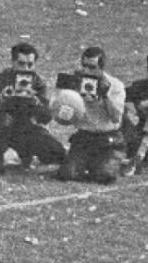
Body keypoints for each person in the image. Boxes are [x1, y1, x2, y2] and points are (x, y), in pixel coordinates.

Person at [0, 41, 66, 174]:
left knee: (56, 153)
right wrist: (1, 97)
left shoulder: (38, 83)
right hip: (0, 126)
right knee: (3, 121)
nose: (26, 68)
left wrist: (35, 100)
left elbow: (46, 118)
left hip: (25, 128)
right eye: (21, 64)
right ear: (13, 62)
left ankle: (26, 152)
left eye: (30, 65)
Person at [54, 46, 127, 184]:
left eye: (92, 67)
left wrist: (105, 96)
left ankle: (110, 161)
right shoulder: (77, 82)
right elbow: (62, 117)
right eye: (84, 66)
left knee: (105, 176)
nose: (87, 71)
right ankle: (88, 162)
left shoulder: (115, 85)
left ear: (102, 68)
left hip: (108, 138)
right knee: (67, 173)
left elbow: (116, 117)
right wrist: (70, 94)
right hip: (85, 137)